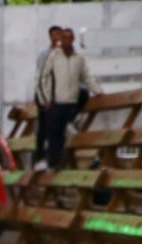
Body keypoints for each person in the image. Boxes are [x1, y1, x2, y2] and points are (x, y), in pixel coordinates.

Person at [36, 27, 101, 172]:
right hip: (57, 101)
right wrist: (45, 98)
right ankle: (53, 163)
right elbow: (43, 77)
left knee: (64, 131)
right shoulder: (53, 56)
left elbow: (87, 76)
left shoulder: (78, 58)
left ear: (72, 39)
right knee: (54, 135)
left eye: (68, 38)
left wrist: (97, 91)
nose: (65, 40)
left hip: (72, 101)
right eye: (63, 38)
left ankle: (61, 162)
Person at [34, 25, 63, 167]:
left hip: (59, 95)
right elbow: (41, 77)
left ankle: (55, 159)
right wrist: (44, 98)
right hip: (46, 94)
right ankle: (41, 157)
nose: (58, 37)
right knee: (45, 127)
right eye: (55, 34)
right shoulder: (45, 55)